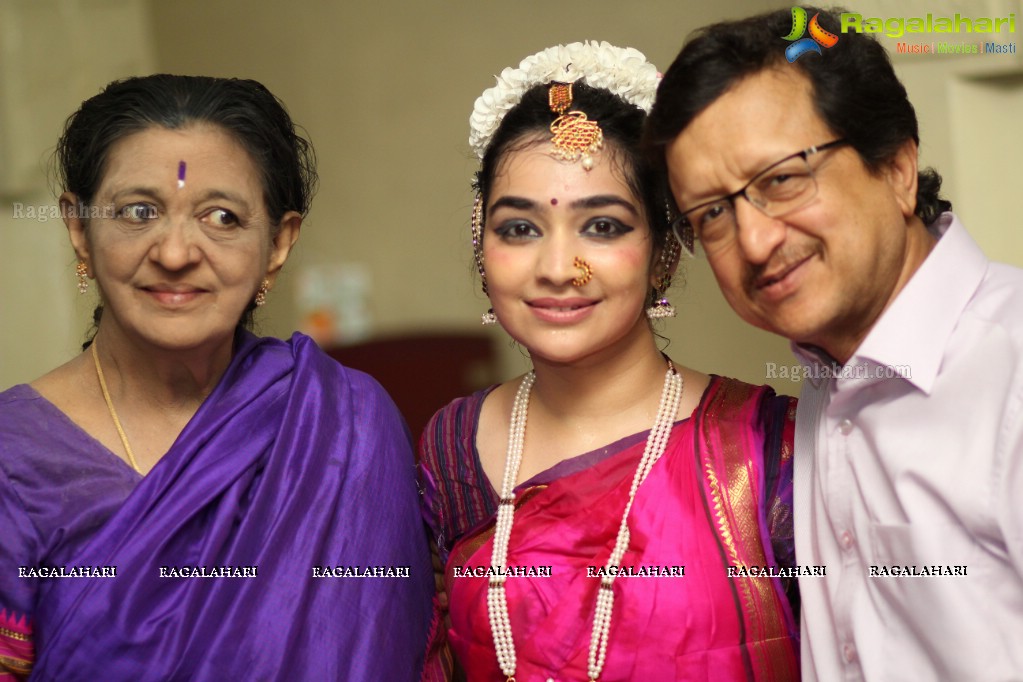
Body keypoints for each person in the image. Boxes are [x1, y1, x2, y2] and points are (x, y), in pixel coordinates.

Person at [0, 75, 432, 680]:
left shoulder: (345, 422)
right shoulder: (13, 454)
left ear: (278, 243)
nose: (175, 253)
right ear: (79, 227)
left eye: (222, 217)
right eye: (139, 212)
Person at [645, 7, 1023, 680]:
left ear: (897, 166)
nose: (756, 243)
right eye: (712, 214)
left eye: (782, 179)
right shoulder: (827, 383)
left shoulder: (1008, 369)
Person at [418, 42, 801, 681]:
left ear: (663, 255)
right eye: (519, 228)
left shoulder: (764, 448)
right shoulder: (454, 448)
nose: (558, 269)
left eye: (603, 226)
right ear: (483, 250)